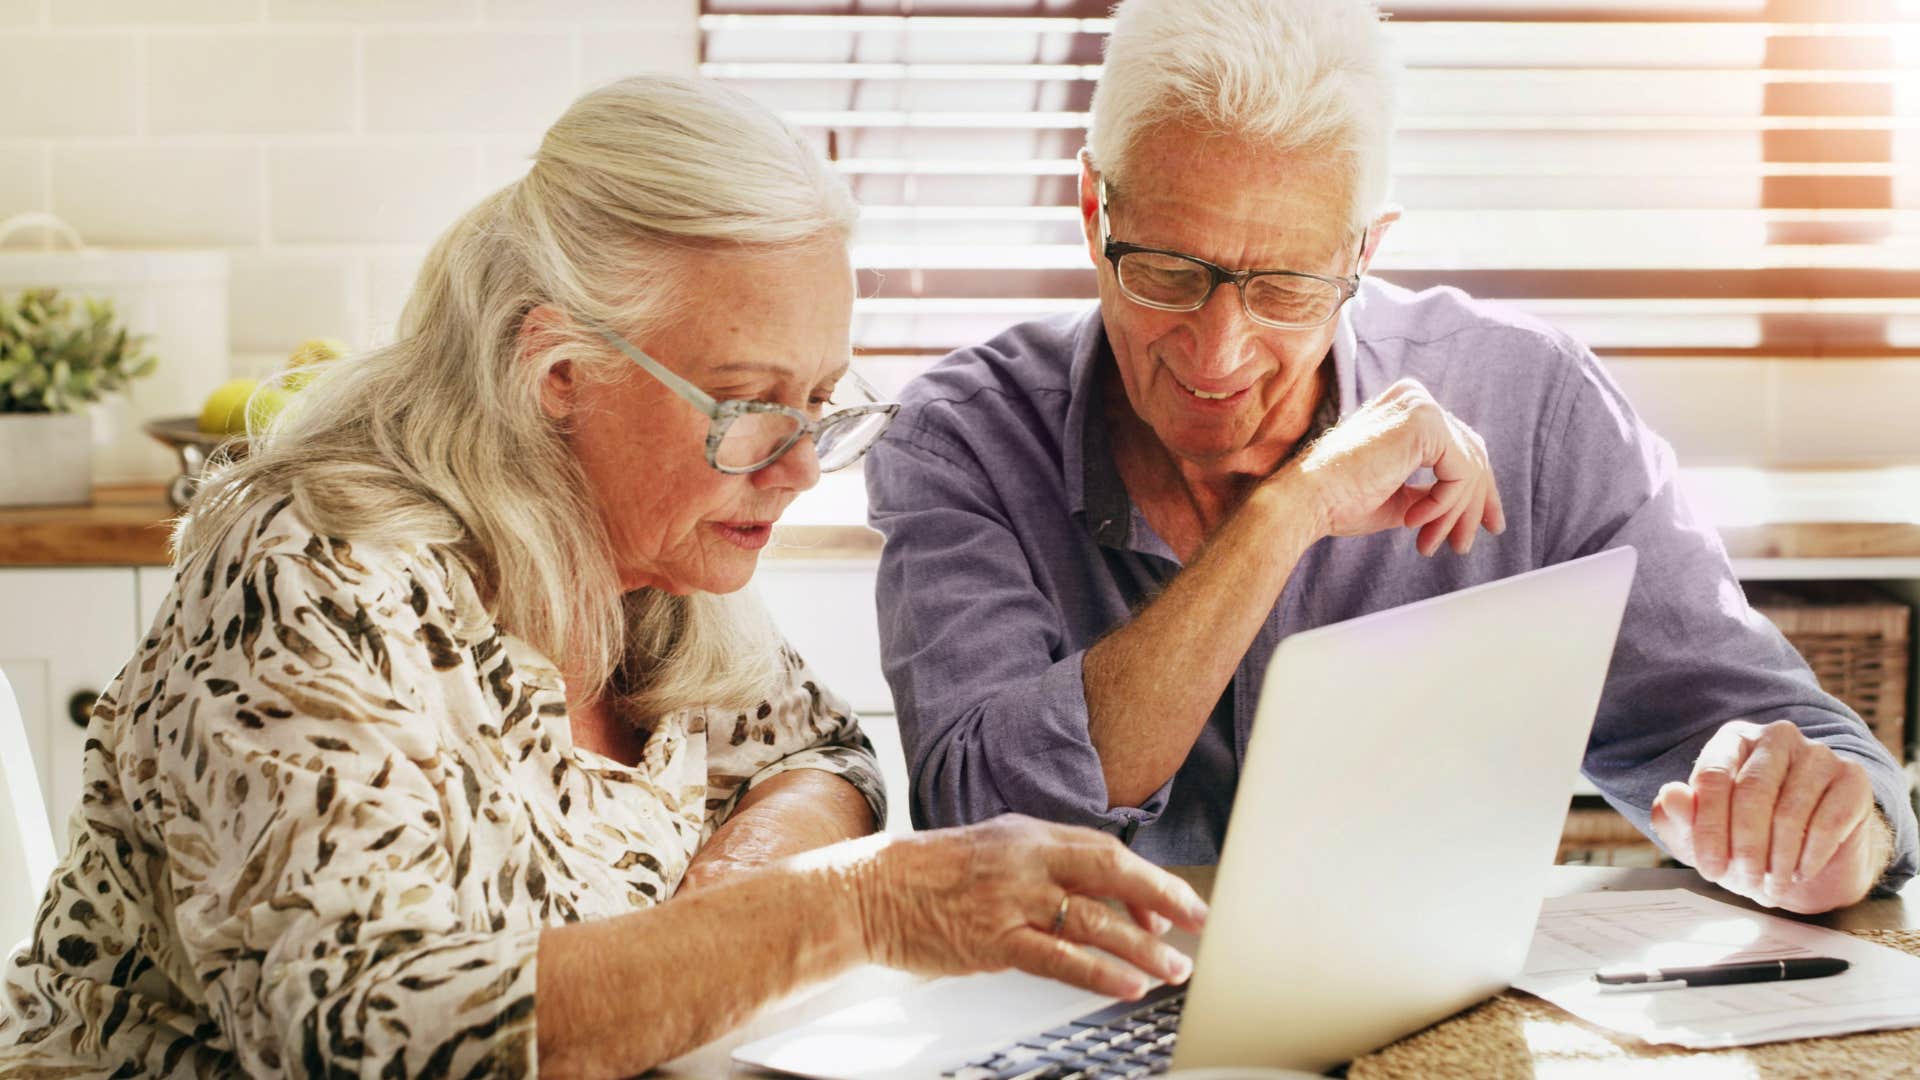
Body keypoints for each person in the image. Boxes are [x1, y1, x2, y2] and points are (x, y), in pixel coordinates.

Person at [0, 76, 1206, 1078]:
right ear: (558, 365)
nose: (798, 470)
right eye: (745, 405)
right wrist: (858, 911)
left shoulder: (658, 557)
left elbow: (821, 758)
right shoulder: (314, 573)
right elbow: (364, 1025)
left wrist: (734, 887)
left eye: (820, 405)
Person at [864, 0, 1918, 917]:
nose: (1219, 352)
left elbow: (1788, 740)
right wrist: (1289, 513)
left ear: (1364, 253)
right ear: (1096, 212)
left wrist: (1826, 834)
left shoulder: (1534, 405)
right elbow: (980, 823)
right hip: (1064, 1021)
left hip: (1434, 1032)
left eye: (1284, 288)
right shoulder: (961, 437)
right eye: (1172, 272)